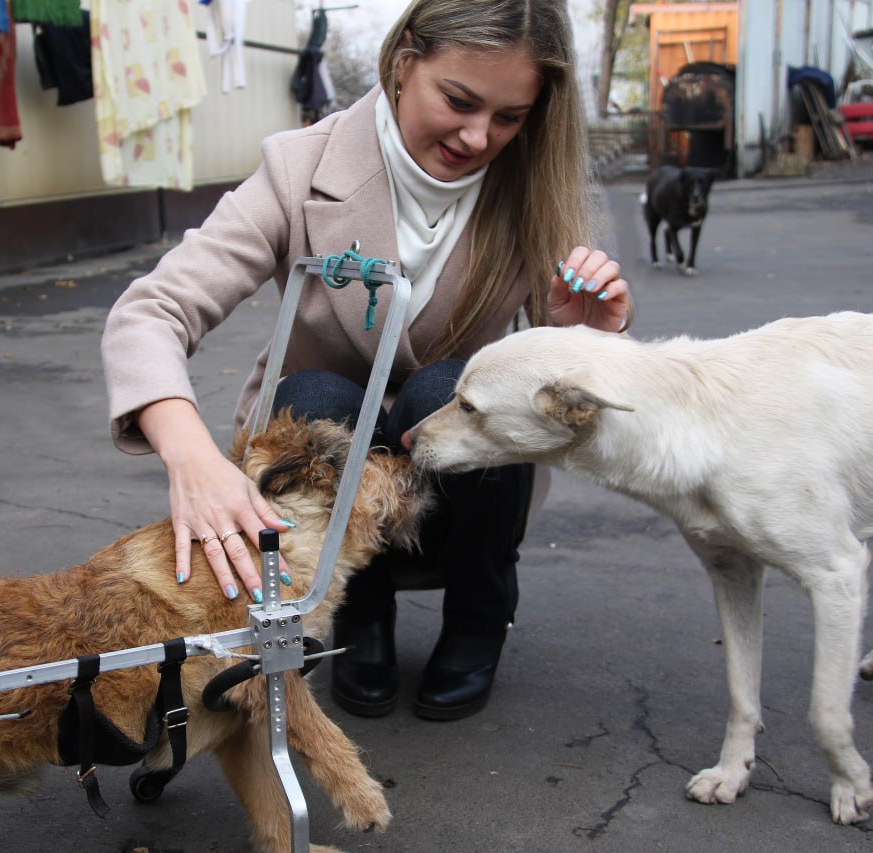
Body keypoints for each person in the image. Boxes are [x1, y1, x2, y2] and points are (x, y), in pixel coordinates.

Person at [101, 0, 631, 722]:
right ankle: (357, 612)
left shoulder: (532, 186)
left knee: (452, 386)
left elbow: (572, 399)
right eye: (459, 100)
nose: (479, 137)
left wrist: (585, 337)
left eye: (509, 118)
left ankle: (479, 615)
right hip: (324, 483)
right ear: (405, 59)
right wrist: (191, 459)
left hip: (463, 490)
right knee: (315, 392)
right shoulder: (298, 167)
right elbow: (148, 314)